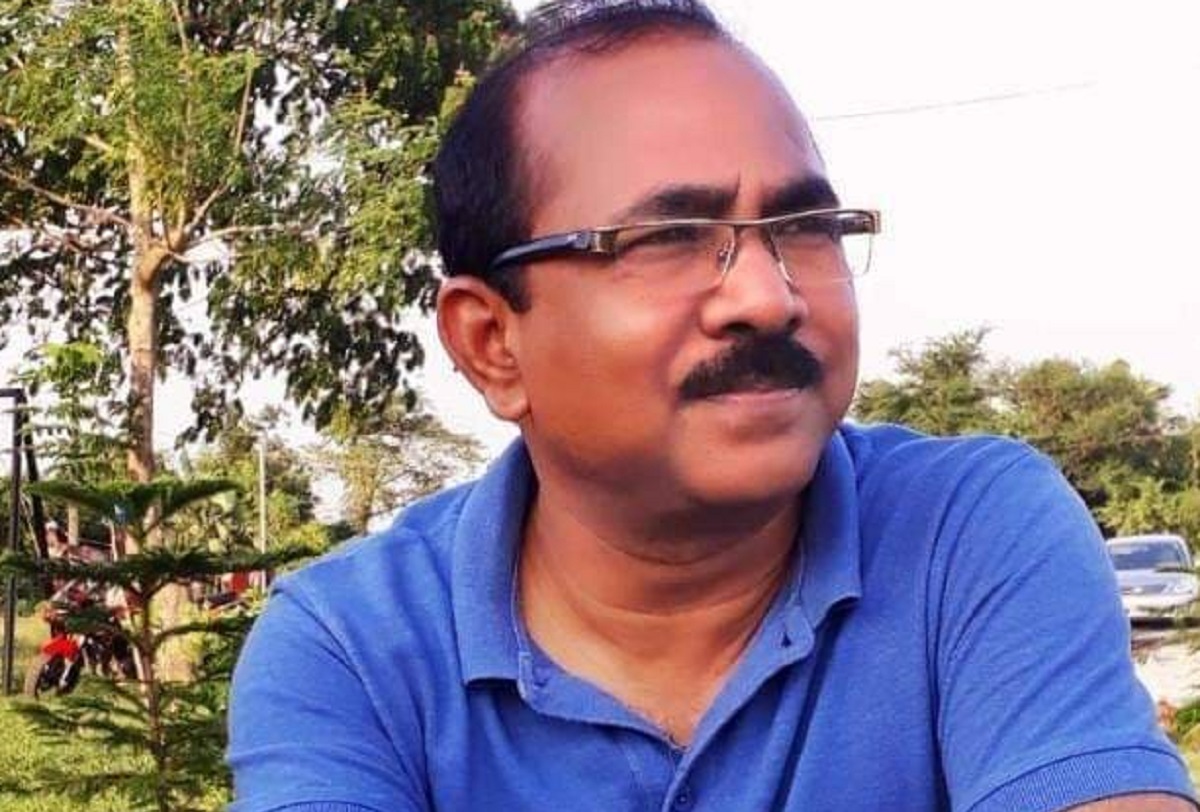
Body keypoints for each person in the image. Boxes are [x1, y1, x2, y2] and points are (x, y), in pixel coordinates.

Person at [227, 2, 1197, 810]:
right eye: (669, 238)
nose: (768, 297)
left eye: (806, 226)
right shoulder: (355, 651)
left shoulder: (967, 536)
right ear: (492, 342)